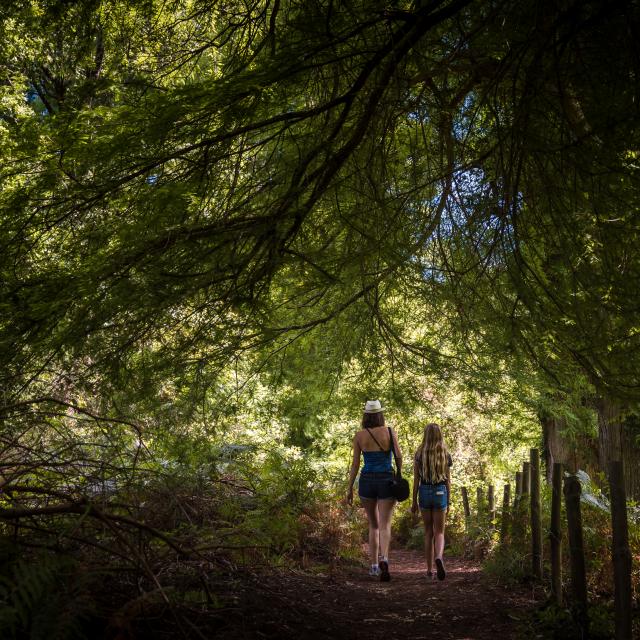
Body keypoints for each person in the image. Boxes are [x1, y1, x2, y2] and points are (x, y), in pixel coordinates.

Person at [346, 399, 402, 581]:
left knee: (373, 525)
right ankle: (384, 557)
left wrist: (349, 487)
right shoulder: (389, 432)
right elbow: (399, 457)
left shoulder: (359, 435)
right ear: (380, 414)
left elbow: (355, 464)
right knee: (385, 524)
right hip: (386, 479)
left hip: (366, 481)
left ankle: (373, 566)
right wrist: (398, 474)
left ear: (365, 416)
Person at [411, 423, 452, 581]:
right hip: (440, 490)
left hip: (424, 491)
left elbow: (416, 480)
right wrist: (448, 500)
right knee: (439, 532)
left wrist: (414, 501)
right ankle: (439, 557)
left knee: (428, 532)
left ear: (425, 435)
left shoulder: (419, 453)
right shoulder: (444, 453)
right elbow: (448, 481)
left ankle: (429, 571)